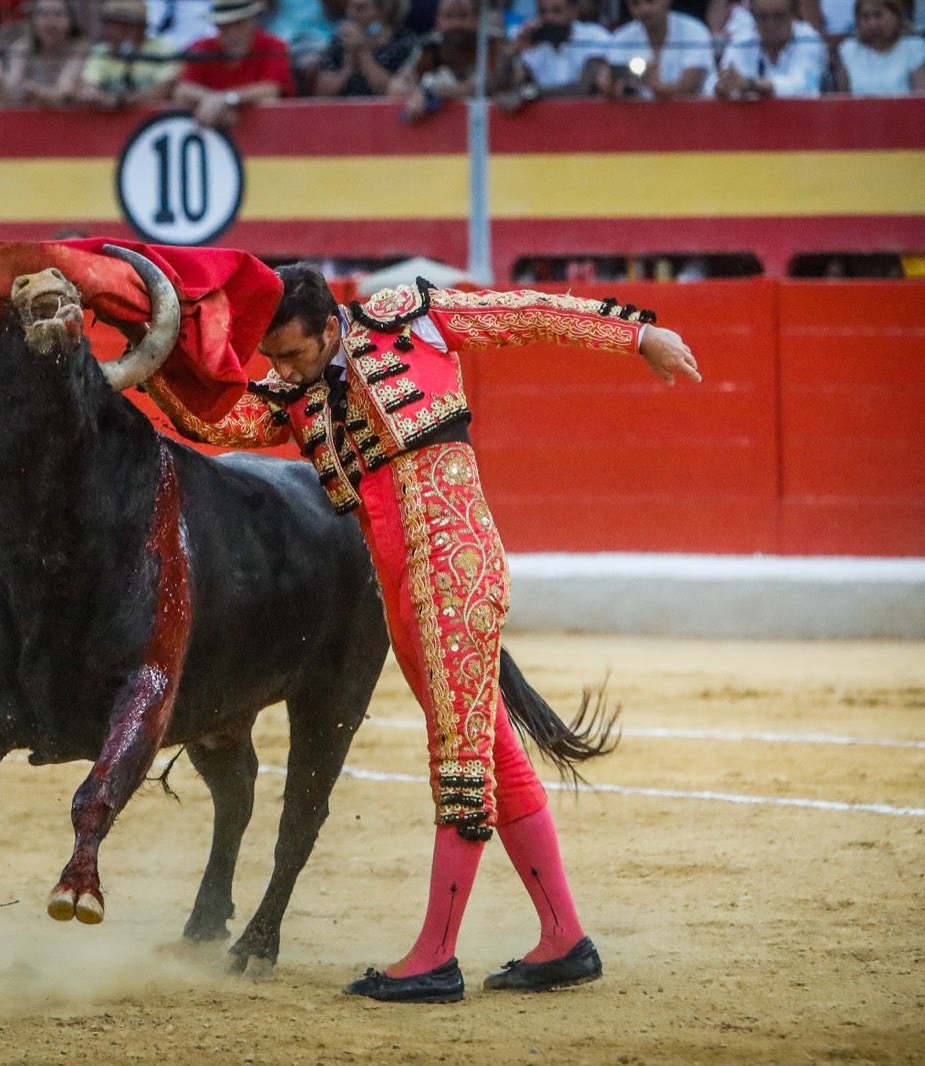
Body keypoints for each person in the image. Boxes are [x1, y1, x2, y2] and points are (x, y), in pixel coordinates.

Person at [144, 265, 701, 1003]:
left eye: (295, 354)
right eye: (273, 359)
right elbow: (216, 423)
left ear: (328, 325)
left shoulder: (408, 319)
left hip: (453, 565)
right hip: (397, 589)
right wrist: (150, 363)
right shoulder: (297, 395)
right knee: (494, 752)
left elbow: (524, 312)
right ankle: (564, 938)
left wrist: (639, 334)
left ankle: (435, 957)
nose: (284, 369)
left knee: (460, 762)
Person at [387, 0, 520, 121]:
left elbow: (484, 85)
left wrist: (430, 92)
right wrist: (415, 93)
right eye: (449, 17)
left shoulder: (492, 44)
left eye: (463, 16)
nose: (456, 24)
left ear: (477, 19)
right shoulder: (433, 46)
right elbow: (398, 85)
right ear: (438, 21)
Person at [172, 0, 294, 129]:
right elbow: (183, 90)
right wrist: (214, 101)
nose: (233, 34)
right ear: (217, 27)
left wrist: (226, 100)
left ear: (252, 22)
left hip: (273, 134)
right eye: (225, 26)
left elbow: (271, 90)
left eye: (239, 24)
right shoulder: (202, 48)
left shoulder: (274, 46)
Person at [72, 0, 179, 107]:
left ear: (141, 27)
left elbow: (163, 91)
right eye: (110, 23)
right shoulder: (101, 51)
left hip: (155, 121)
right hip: (109, 121)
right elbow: (88, 85)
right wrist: (92, 94)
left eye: (125, 24)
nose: (112, 30)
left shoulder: (162, 49)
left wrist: (121, 100)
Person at [603, 0, 714, 99]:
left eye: (650, 1)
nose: (644, 9)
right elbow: (615, 85)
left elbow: (690, 87)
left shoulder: (695, 31)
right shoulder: (621, 37)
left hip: (691, 117)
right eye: (635, 3)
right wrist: (608, 85)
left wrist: (653, 85)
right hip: (638, 117)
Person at [714, 0, 825, 98]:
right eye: (763, 17)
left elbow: (805, 88)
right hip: (751, 118)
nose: (771, 24)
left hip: (802, 117)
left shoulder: (809, 39)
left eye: (779, 16)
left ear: (794, 15)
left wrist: (752, 84)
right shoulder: (742, 42)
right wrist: (724, 86)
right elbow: (720, 84)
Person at [307, 0, 418, 97]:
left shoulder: (404, 42)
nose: (352, 14)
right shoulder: (340, 42)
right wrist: (347, 69)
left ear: (383, 10)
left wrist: (363, 53)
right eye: (349, 7)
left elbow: (393, 90)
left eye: (361, 8)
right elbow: (320, 93)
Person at [0, 0, 87, 104]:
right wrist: (2, 79)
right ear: (32, 20)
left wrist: (37, 92)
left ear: (71, 20)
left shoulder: (79, 47)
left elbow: (64, 92)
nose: (50, 22)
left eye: (58, 14)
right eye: (43, 14)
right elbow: (9, 96)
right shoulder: (24, 45)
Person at [510, 0, 611, 98]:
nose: (548, 17)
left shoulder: (594, 36)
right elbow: (510, 89)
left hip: (586, 113)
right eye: (542, 11)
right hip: (545, 114)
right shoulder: (534, 44)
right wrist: (515, 50)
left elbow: (582, 89)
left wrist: (532, 93)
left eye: (556, 11)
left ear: (573, 11)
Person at [832, 0, 925, 94]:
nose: (872, 23)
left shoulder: (915, 48)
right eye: (865, 17)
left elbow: (924, 101)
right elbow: (842, 100)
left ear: (896, 16)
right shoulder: (848, 50)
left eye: (878, 15)